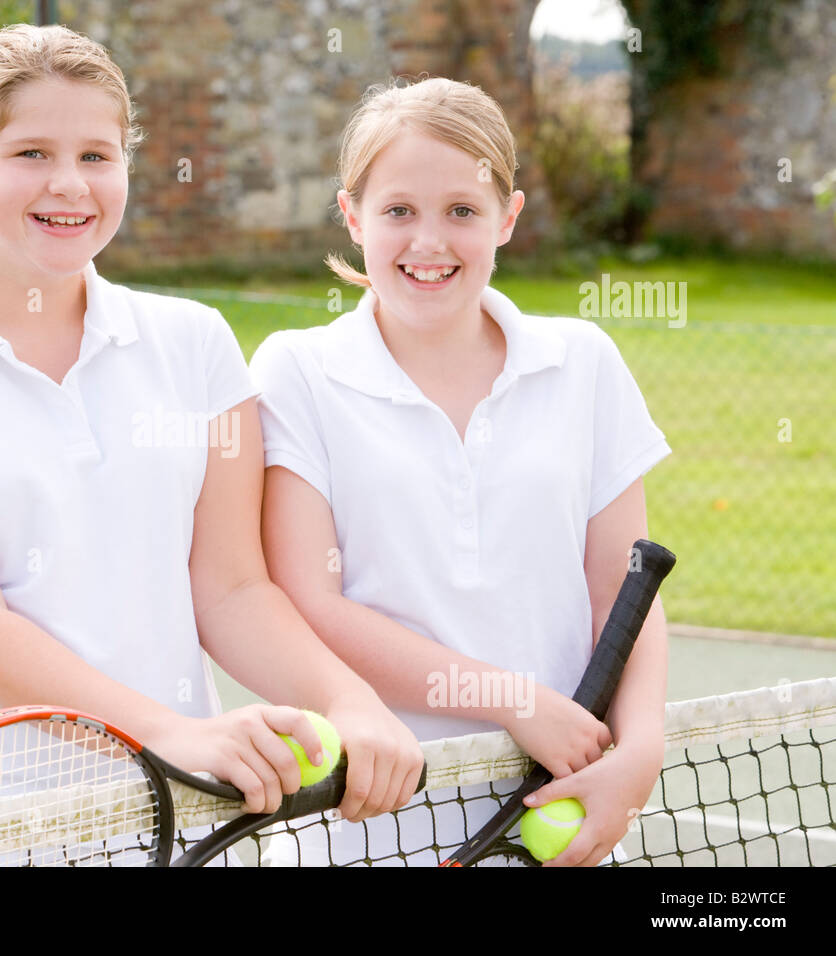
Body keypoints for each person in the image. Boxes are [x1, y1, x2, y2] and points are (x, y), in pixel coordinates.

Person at [0, 23, 423, 830]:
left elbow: (233, 589)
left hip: (172, 821)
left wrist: (351, 701)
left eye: (96, 156)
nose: (70, 184)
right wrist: (172, 735)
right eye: (31, 154)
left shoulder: (197, 344)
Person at [250, 77, 670, 866]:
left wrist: (640, 752)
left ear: (507, 217)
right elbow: (309, 599)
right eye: (399, 211)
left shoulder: (584, 363)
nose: (429, 242)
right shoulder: (296, 370)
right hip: (364, 823)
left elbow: (624, 591)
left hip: (553, 803)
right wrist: (510, 700)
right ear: (352, 215)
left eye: (463, 212)